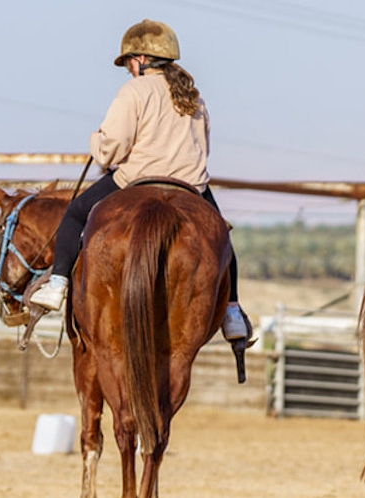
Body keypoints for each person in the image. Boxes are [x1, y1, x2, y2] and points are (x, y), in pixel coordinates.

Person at [27, 19, 251, 344]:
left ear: (141, 60)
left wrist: (96, 141)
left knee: (75, 213)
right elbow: (203, 145)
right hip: (192, 184)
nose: (129, 70)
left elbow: (112, 147)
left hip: (138, 177)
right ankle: (232, 311)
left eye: (129, 63)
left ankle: (58, 284)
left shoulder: (134, 90)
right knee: (221, 237)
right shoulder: (194, 96)